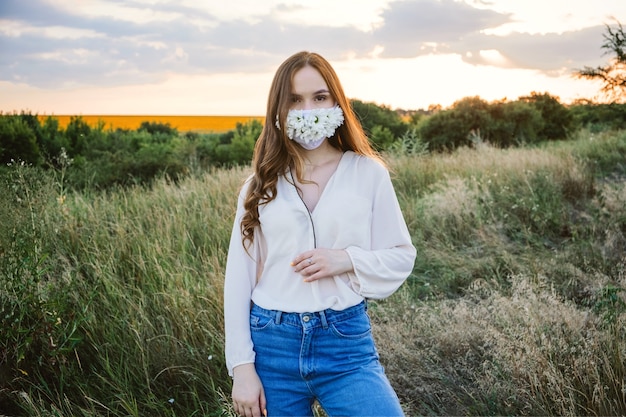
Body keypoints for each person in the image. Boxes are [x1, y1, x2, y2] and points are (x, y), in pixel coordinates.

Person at [223, 51, 416, 417]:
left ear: (336, 103)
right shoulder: (259, 185)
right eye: (294, 100)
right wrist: (242, 369)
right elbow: (238, 279)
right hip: (271, 343)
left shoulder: (368, 173)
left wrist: (344, 260)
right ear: (278, 110)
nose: (307, 109)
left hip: (344, 343)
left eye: (319, 97)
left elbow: (401, 255)